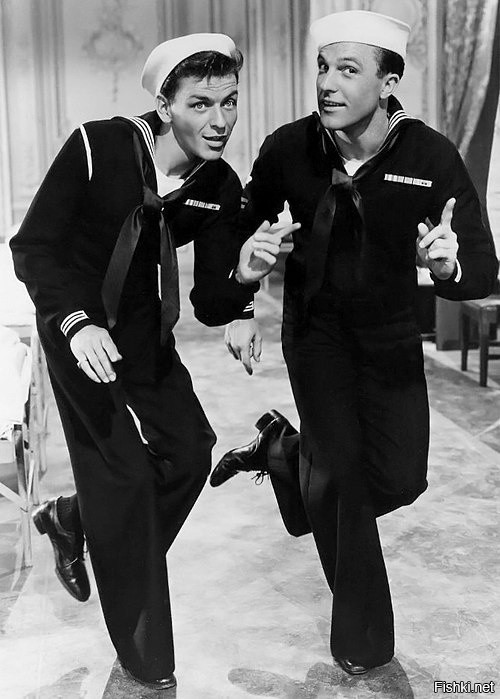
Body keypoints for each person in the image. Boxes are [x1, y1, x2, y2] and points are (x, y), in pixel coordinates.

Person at [211, 10, 498, 676]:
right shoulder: (289, 149)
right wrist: (241, 299)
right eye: (322, 67)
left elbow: (482, 269)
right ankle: (365, 643)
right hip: (314, 334)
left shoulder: (429, 155)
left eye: (347, 69)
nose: (327, 83)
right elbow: (236, 233)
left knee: (400, 478)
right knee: (343, 480)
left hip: (390, 335)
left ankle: (286, 455)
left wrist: (449, 266)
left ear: (389, 80)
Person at [10, 33, 296, 690]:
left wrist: (246, 279)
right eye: (201, 104)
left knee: (191, 450)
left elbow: (210, 300)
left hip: (142, 332)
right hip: (77, 329)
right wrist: (76, 322)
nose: (220, 120)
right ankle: (148, 661)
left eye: (229, 102)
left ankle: (76, 518)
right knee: (126, 477)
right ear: (165, 106)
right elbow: (34, 248)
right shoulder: (97, 146)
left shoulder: (218, 184)